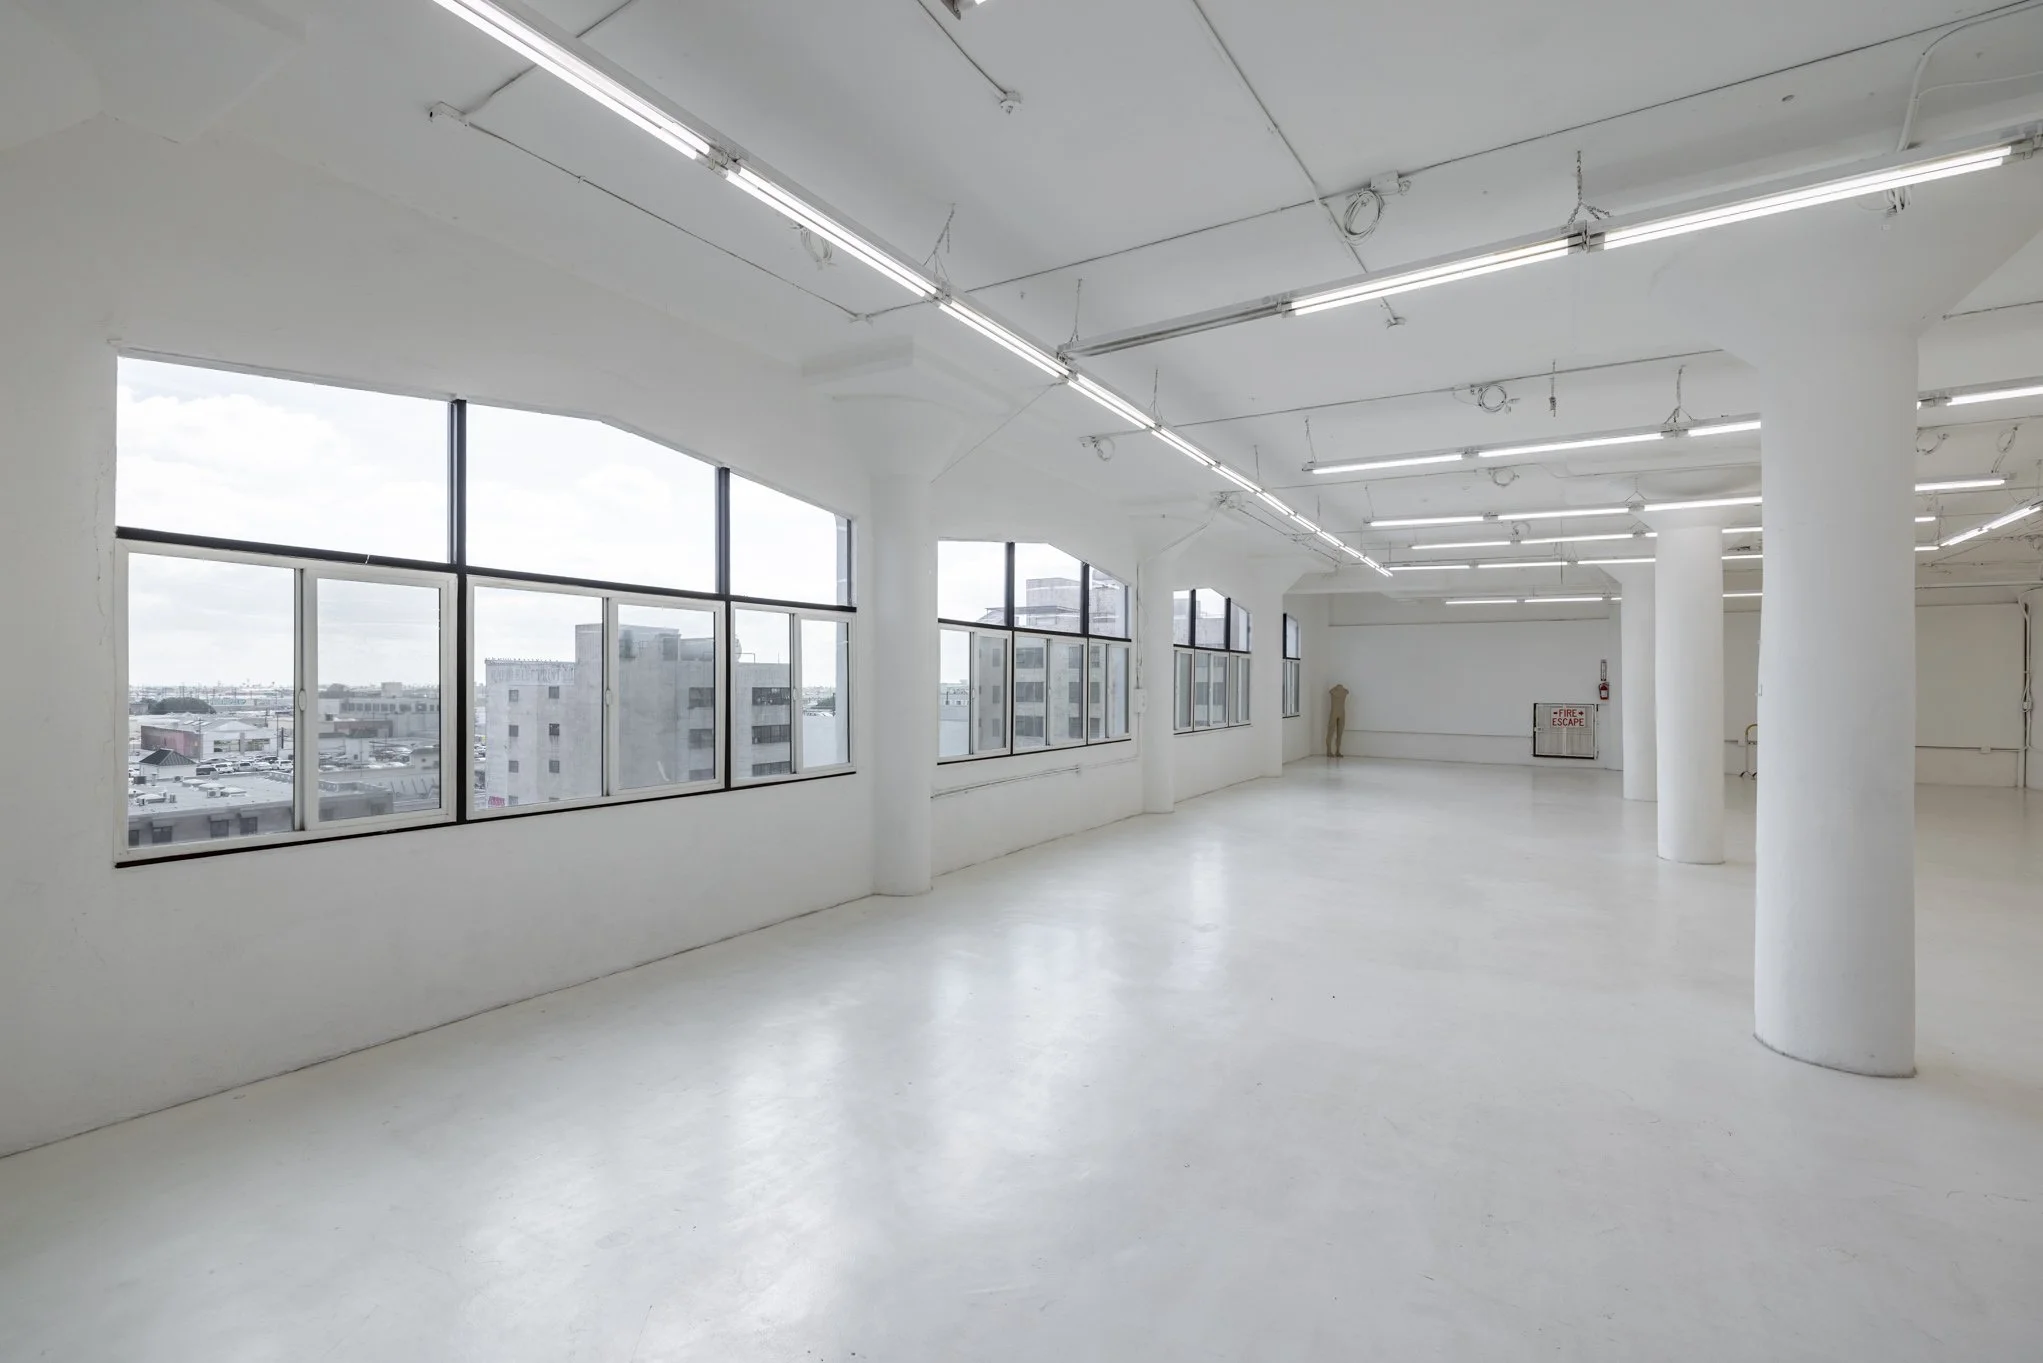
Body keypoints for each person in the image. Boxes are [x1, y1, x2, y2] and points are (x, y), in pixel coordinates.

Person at [1326, 683, 1348, 758]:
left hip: (1341, 713)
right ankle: (1329, 751)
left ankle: (1338, 751)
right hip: (1335, 712)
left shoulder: (1345, 691)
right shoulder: (1332, 691)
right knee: (1331, 732)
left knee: (1340, 733)